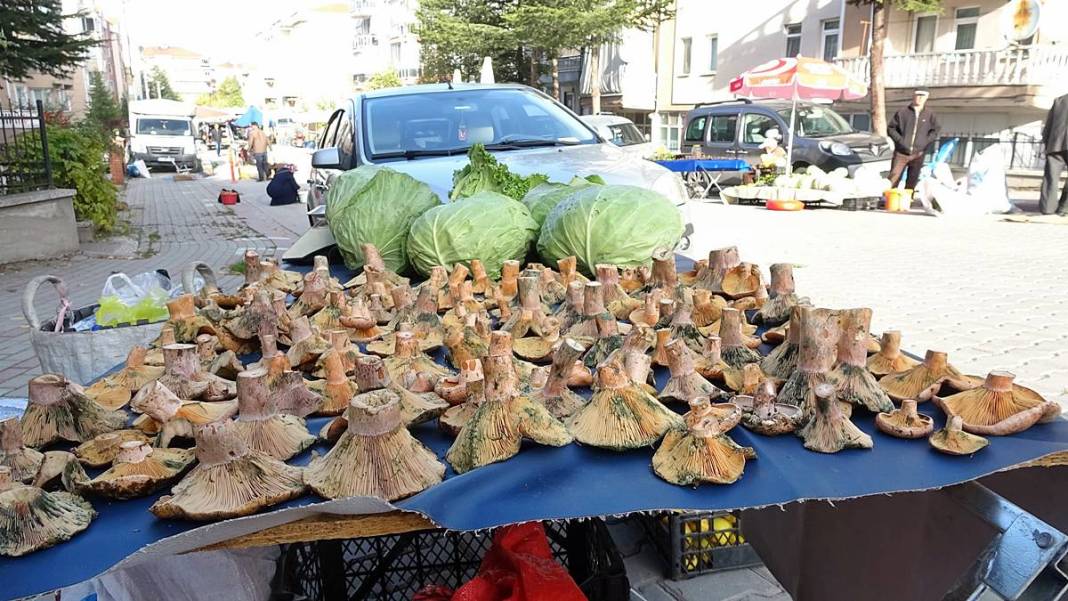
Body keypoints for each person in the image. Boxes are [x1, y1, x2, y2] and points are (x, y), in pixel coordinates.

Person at [887, 90, 941, 190]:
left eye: (923, 96)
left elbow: (935, 130)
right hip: (901, 152)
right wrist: (900, 141)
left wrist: (924, 143)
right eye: (918, 95)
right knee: (894, 177)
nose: (920, 98)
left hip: (918, 153)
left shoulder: (930, 114)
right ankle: (890, 200)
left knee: (912, 179)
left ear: (927, 97)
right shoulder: (902, 112)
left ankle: (907, 201)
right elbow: (891, 128)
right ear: (913, 96)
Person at [1040, 93, 1068, 216]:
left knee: (1050, 178)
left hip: (1055, 144)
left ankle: (1047, 209)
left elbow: (1048, 126)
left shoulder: (1059, 100)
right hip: (1056, 145)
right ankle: (1064, 208)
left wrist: (1046, 144)